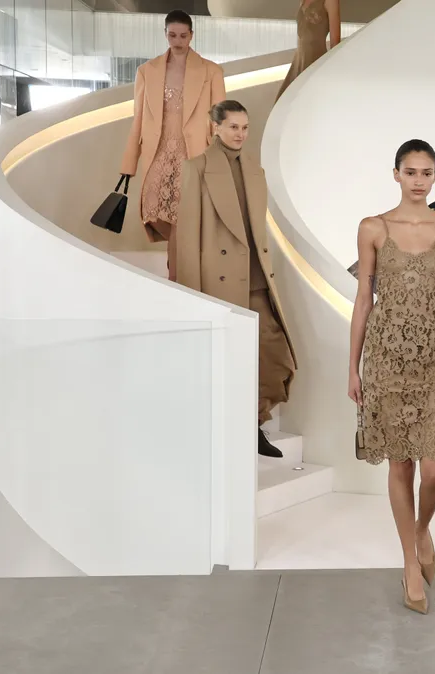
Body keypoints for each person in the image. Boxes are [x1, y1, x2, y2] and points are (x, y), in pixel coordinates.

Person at [348, 139, 435, 615]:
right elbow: (363, 301)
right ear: (395, 174)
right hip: (385, 361)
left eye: (427, 172)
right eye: (411, 171)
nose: (419, 180)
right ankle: (408, 564)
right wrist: (352, 366)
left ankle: (421, 530)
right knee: (401, 466)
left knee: (434, 471)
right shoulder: (373, 227)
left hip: (434, 361)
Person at [174, 101, 297, 459]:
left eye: (245, 127)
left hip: (256, 278)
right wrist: (192, 298)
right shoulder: (196, 169)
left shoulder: (255, 171)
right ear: (215, 128)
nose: (240, 134)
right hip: (219, 281)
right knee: (225, 359)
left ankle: (252, 423)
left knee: (273, 352)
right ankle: (226, 430)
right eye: (233, 127)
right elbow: (188, 238)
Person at [121, 10, 226, 282]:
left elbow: (219, 120)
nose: (177, 41)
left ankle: (176, 277)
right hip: (157, 152)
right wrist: (129, 164)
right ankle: (177, 270)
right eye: (172, 35)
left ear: (192, 35)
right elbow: (139, 119)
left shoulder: (211, 71)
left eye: (183, 35)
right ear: (165, 34)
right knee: (157, 212)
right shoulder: (147, 71)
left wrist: (219, 160)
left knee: (184, 215)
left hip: (193, 152)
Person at [276, 0, 341, 99]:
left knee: (308, 101)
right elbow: (301, 38)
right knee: (283, 102)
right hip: (298, 62)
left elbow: (335, 43)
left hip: (315, 63)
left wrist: (332, 74)